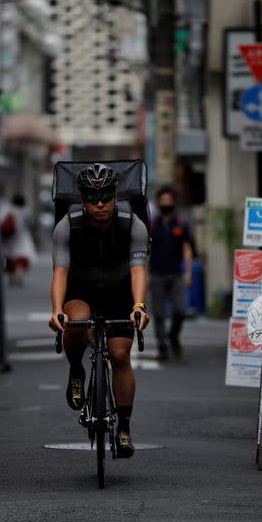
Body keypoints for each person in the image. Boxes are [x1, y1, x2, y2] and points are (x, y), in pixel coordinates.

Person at [48, 163, 150, 458]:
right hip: (81, 289)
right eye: (93, 197)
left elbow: (138, 271)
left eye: (106, 195)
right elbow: (59, 274)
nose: (100, 203)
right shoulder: (67, 225)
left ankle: (124, 428)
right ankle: (77, 370)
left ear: (116, 196)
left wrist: (139, 306)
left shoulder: (133, 224)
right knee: (76, 321)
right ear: (82, 200)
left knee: (119, 355)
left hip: (119, 289)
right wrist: (57, 310)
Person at [149, 185, 194, 360]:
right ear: (159, 202)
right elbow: (148, 250)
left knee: (180, 310)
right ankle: (162, 346)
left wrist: (188, 272)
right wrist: (143, 274)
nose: (166, 203)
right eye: (163, 200)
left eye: (169, 200)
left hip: (176, 274)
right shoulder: (153, 224)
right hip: (156, 274)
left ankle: (173, 336)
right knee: (159, 314)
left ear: (174, 202)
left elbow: (187, 248)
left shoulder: (181, 223)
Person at [0, 194, 37, 287]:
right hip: (23, 237)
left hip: (10, 238)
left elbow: (0, 219)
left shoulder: (8, 209)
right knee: (20, 259)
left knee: (9, 258)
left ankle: (11, 277)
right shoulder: (26, 210)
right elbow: (30, 223)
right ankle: (19, 274)